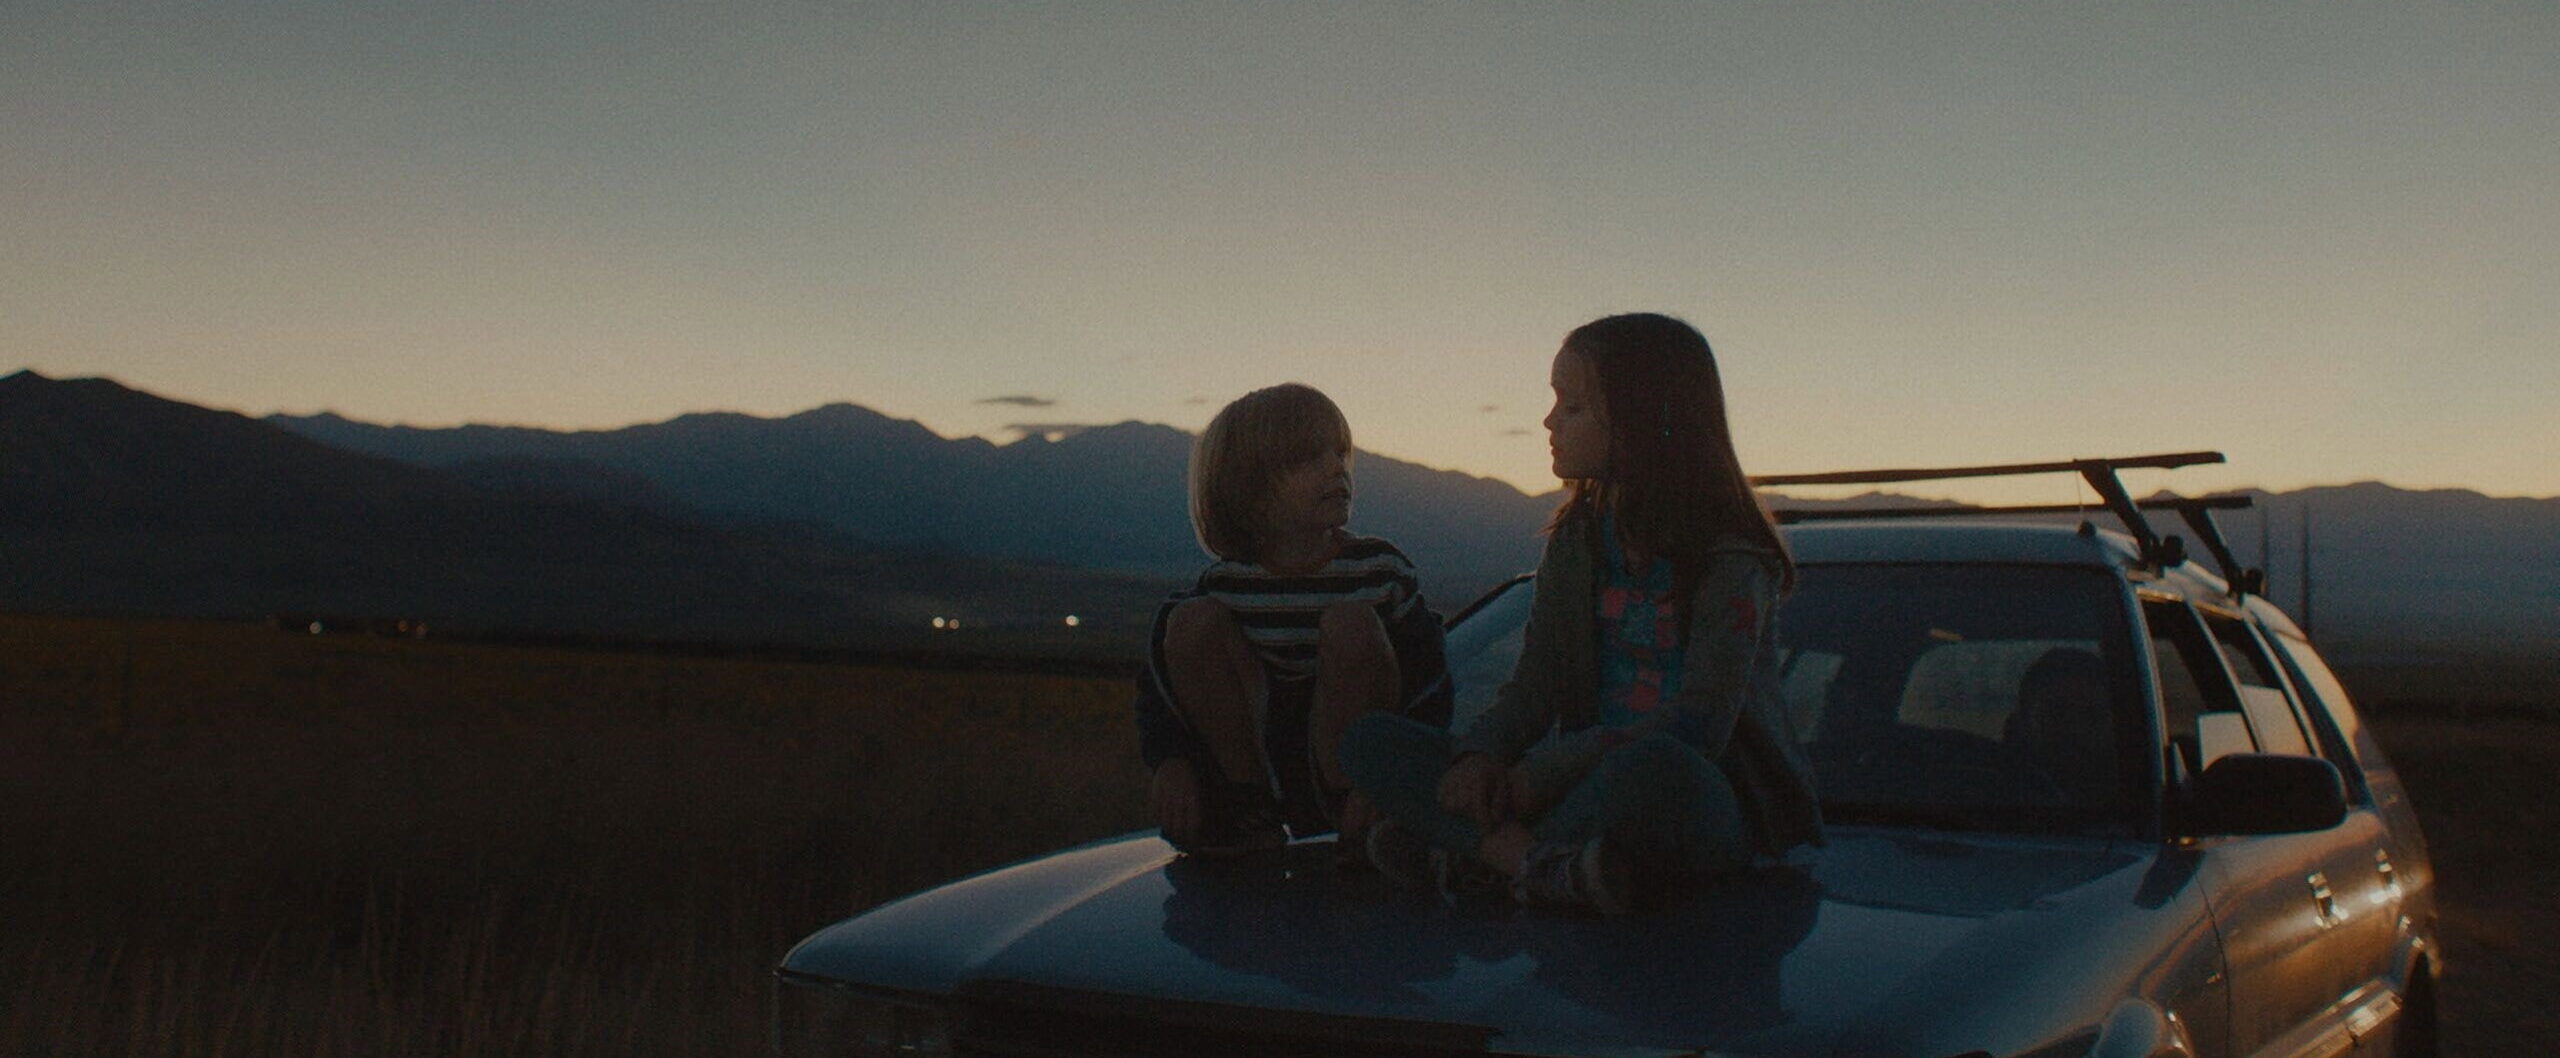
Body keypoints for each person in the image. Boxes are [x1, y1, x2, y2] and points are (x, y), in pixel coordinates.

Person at [1341, 313, 1822, 913]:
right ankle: (1539, 865)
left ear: (1641, 420)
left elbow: (1701, 723)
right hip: (1574, 793)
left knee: (1653, 764)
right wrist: (1481, 758)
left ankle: (1481, 855)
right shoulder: (1578, 542)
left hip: (1693, 803)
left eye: (1572, 407)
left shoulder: (1729, 558)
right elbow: (1534, 687)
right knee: (1369, 740)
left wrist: (1539, 777)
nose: (1549, 422)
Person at [1133, 383, 1451, 856]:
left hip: (1357, 765)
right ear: (1251, 491)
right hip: (1262, 752)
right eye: (1308, 459)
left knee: (1351, 626)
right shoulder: (1227, 586)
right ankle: (1248, 806)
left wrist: (1398, 772)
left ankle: (1349, 796)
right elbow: (1164, 683)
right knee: (1190, 622)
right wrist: (1170, 760)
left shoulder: (1379, 572)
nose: (1336, 468)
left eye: (1339, 453)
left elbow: (1429, 677)